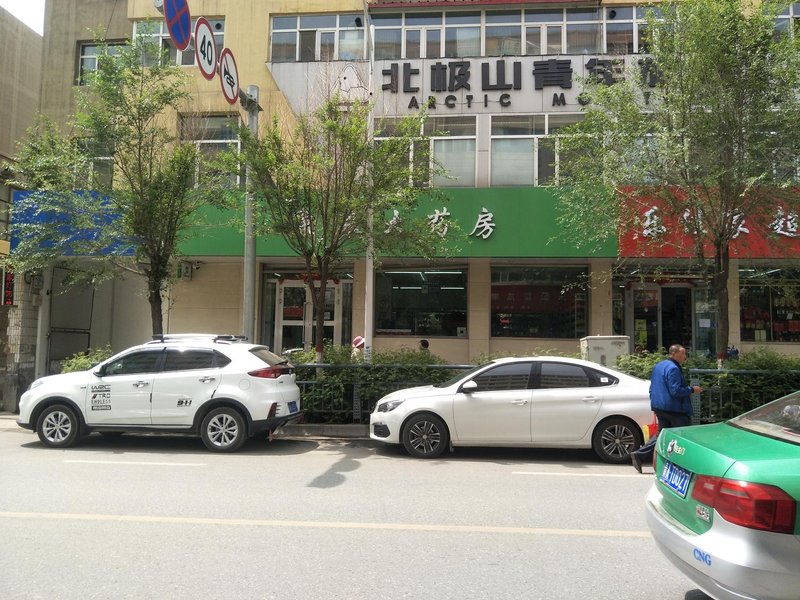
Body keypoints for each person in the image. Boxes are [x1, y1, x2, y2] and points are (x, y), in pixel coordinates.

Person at [630, 344, 703, 473]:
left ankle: (639, 455)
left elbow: (653, 387)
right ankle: (684, 465)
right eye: (682, 353)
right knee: (683, 436)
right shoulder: (673, 368)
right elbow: (675, 390)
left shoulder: (659, 366)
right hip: (674, 409)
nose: (684, 356)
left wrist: (655, 403)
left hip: (660, 406)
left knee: (662, 435)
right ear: (673, 354)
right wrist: (692, 389)